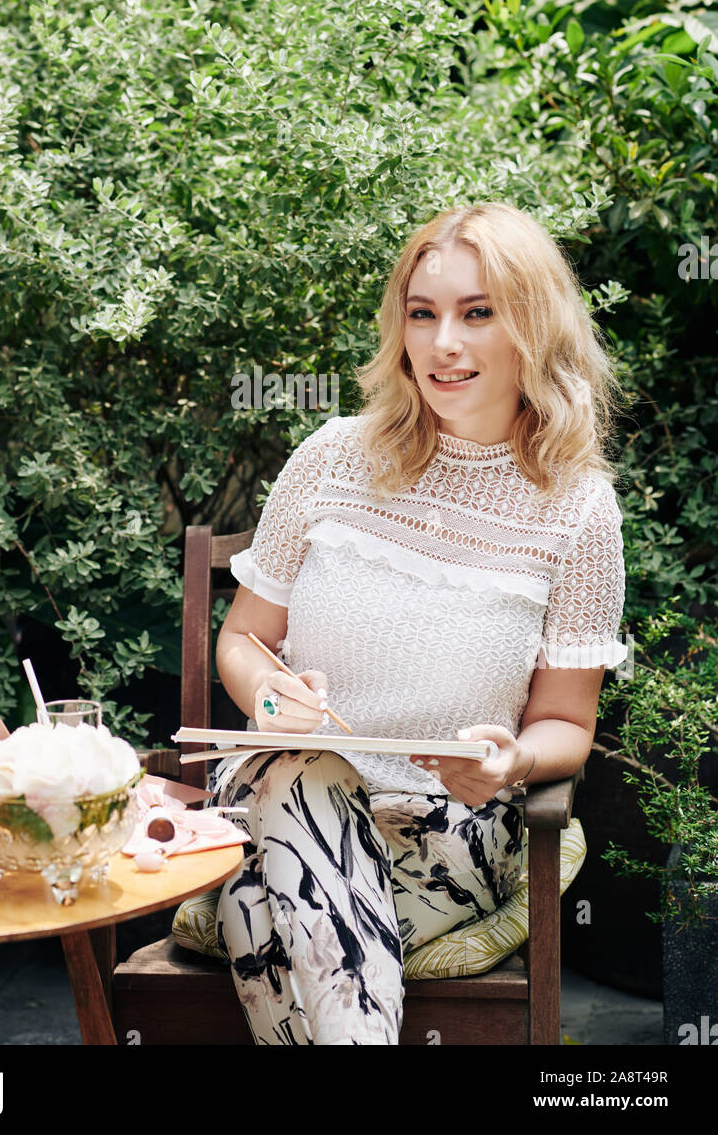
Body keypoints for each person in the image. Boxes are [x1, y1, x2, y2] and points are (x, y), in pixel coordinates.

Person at [209, 200, 629, 1045]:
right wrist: (269, 695)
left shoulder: (580, 510)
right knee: (306, 766)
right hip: (285, 796)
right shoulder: (332, 459)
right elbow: (242, 642)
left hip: (448, 832)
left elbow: (566, 725)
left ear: (534, 328)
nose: (445, 342)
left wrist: (513, 761)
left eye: (479, 314)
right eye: (423, 313)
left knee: (256, 912)